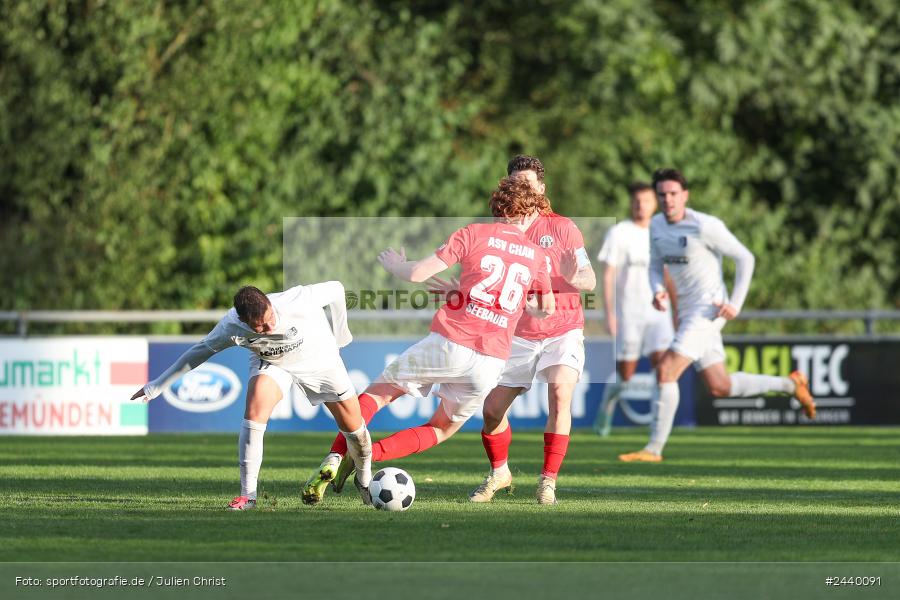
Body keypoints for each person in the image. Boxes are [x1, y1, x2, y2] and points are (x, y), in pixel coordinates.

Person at [300, 176, 555, 505]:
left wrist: (397, 266)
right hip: (491, 361)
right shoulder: (535, 255)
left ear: (497, 205)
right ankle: (371, 455)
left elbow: (419, 273)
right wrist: (518, 304)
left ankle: (337, 457)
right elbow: (545, 309)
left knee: (378, 395)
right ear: (527, 213)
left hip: (451, 342)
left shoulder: (473, 234)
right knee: (441, 429)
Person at [617, 169, 816, 463]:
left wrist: (735, 302)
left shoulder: (705, 225)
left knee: (666, 370)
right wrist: (658, 290)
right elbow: (655, 266)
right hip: (686, 311)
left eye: (673, 194)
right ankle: (790, 385)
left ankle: (653, 449)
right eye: (662, 194)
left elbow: (746, 258)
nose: (668, 199)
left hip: (709, 308)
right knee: (719, 385)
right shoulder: (657, 226)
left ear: (685, 195)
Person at [130, 282, 373, 509]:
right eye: (261, 327)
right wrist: (155, 387)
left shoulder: (295, 300)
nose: (270, 328)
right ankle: (248, 495)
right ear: (244, 322)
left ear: (269, 304)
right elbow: (199, 352)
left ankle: (363, 478)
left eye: (270, 319)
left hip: (320, 358)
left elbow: (337, 289)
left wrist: (342, 335)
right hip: (274, 362)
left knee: (355, 431)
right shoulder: (230, 326)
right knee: (255, 410)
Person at [461, 155, 597, 506]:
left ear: (541, 188)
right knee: (491, 411)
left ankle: (548, 481)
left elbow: (589, 278)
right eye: (516, 183)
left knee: (560, 395)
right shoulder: (499, 230)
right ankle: (500, 472)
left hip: (563, 328)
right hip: (519, 334)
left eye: (528, 183)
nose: (523, 189)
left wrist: (570, 277)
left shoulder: (563, 228)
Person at [593, 182, 676, 437]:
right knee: (625, 376)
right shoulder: (620, 233)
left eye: (647, 201)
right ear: (632, 203)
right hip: (629, 314)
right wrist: (609, 314)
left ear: (655, 204)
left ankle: (659, 428)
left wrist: (677, 312)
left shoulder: (663, 232)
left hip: (659, 314)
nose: (642, 206)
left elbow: (670, 274)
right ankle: (606, 408)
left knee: (664, 370)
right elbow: (608, 275)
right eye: (637, 201)